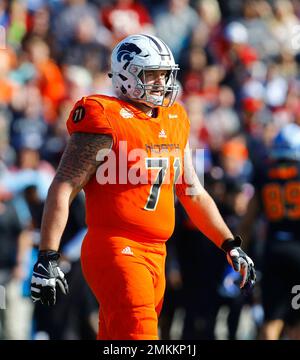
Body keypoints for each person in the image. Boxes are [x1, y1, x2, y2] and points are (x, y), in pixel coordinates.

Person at [30, 34, 256, 340]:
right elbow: (64, 185)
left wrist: (230, 244)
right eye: (152, 74)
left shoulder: (174, 117)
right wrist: (48, 255)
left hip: (157, 252)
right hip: (116, 247)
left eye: (165, 74)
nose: (162, 82)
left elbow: (191, 191)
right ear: (126, 73)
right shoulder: (103, 115)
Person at [239, 123, 300, 340]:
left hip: (273, 251)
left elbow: (248, 220)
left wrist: (238, 253)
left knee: (271, 320)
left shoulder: (265, 171)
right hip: (297, 252)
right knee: (296, 320)